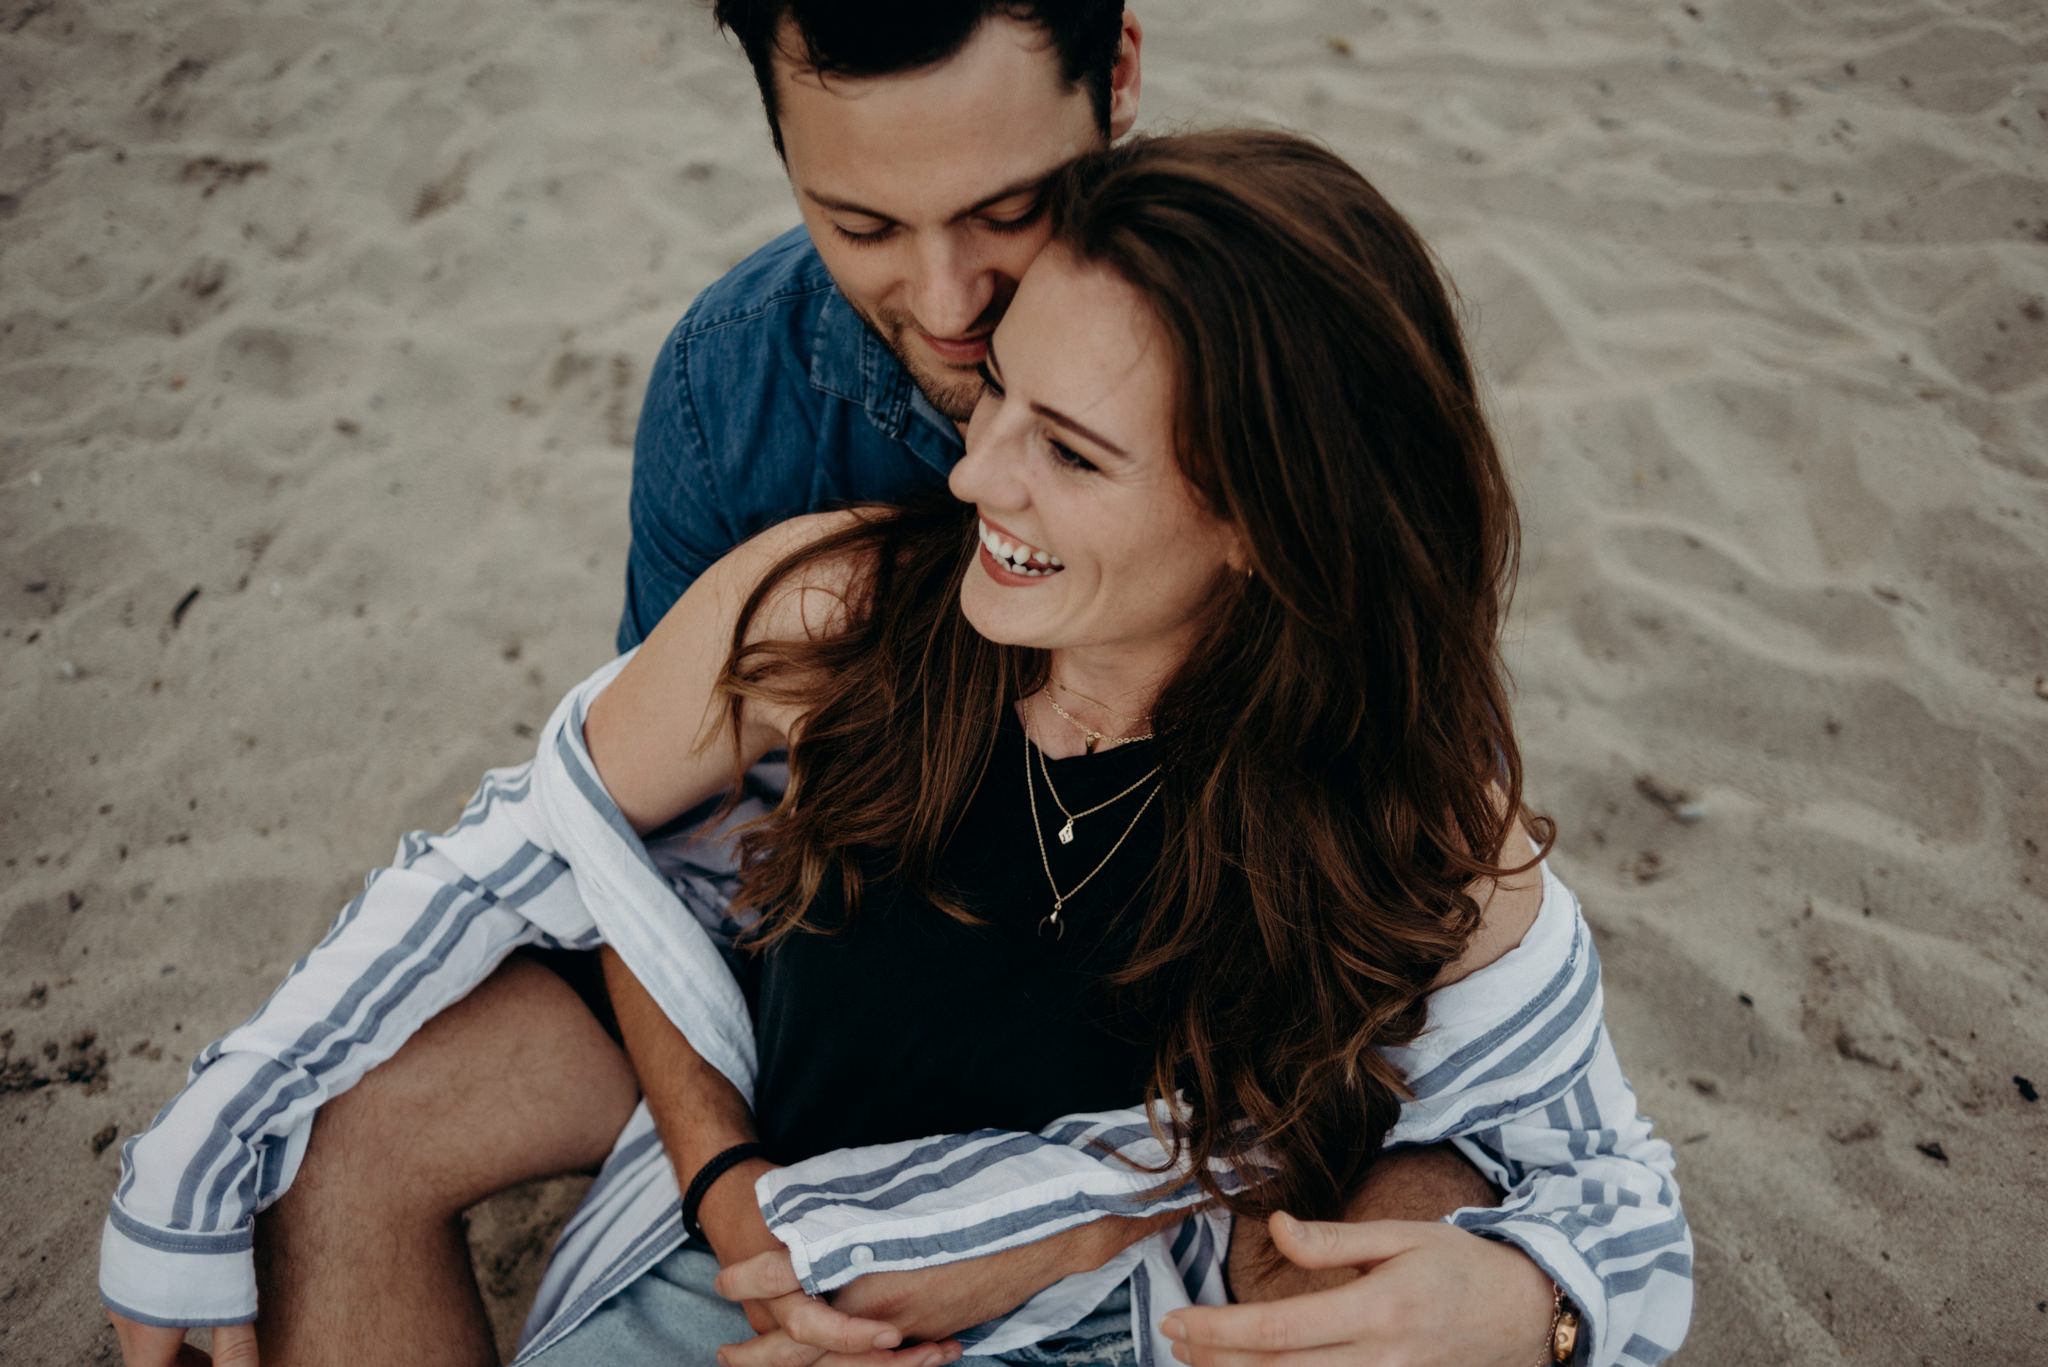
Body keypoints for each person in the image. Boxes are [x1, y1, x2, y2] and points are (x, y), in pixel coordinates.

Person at [98, 7, 1691, 1366]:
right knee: (334, 1132)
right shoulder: (812, 542)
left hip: (1108, 1259)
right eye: (861, 227)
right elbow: (607, 853)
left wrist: (1530, 1302)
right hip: (787, 1102)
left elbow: (1546, 1148)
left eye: (1065, 440)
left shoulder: (1337, 611)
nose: (962, 417)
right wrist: (740, 1202)